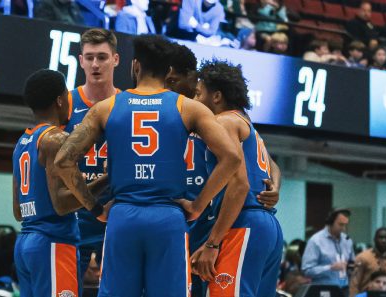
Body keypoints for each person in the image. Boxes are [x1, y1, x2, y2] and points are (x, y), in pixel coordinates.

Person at [54, 35, 241, 297]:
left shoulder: (106, 108)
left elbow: (63, 161)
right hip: (168, 218)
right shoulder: (188, 107)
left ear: (135, 66)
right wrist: (198, 205)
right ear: (169, 72)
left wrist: (94, 207)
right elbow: (232, 157)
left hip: (122, 216)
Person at [183, 60, 283, 297]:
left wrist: (212, 243)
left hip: (245, 222)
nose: (195, 101)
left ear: (216, 96)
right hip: (268, 226)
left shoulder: (223, 121)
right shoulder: (247, 123)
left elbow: (239, 185)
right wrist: (275, 186)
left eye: (198, 94)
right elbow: (274, 165)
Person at [13, 69, 109, 296]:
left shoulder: (22, 142)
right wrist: (108, 180)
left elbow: (18, 211)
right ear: (59, 100)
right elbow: (62, 205)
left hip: (25, 243)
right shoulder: (56, 139)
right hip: (52, 242)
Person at [63, 28, 120, 285]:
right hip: (75, 218)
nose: (95, 64)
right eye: (89, 57)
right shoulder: (65, 103)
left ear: (115, 59)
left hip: (116, 215)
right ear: (80, 60)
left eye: (102, 57)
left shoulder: (128, 103)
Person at [302, 209, 355, 295]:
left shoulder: (347, 240)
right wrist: (330, 267)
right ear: (330, 222)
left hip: (344, 289)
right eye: (340, 225)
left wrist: (353, 266)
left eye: (346, 225)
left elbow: (351, 263)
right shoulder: (316, 241)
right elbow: (307, 270)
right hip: (324, 290)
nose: (344, 229)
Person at [350, 227, 386, 296]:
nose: (383, 240)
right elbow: (354, 284)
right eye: (381, 237)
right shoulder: (363, 258)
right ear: (374, 239)